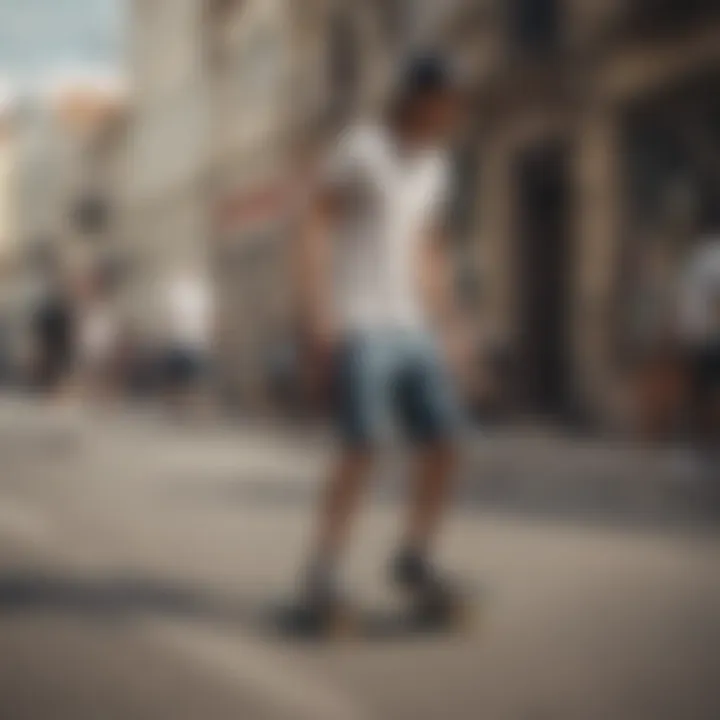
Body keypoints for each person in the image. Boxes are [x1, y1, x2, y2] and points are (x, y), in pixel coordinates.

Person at [294, 55, 469, 628]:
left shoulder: (437, 166)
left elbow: (430, 246)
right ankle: (322, 570)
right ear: (415, 98)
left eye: (454, 101)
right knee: (360, 446)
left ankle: (415, 557)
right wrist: (320, 312)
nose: (450, 110)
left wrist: (449, 325)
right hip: (362, 323)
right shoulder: (362, 149)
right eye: (443, 98)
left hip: (415, 327)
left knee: (446, 441)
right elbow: (317, 223)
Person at [677, 232, 720, 461]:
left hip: (704, 339)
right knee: (705, 393)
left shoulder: (705, 258)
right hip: (708, 339)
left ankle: (704, 443)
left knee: (703, 394)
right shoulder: (709, 258)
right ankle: (705, 443)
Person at [162, 270, 214, 418]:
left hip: (195, 342)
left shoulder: (201, 297)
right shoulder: (178, 295)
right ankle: (179, 408)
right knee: (179, 378)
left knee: (193, 378)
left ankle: (193, 409)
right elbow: (171, 319)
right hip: (181, 341)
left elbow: (206, 319)